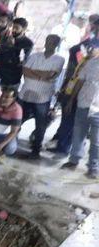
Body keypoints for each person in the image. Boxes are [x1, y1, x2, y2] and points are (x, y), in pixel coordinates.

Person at [15, 34, 65, 160]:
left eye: (53, 42)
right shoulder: (34, 56)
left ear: (57, 45)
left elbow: (51, 75)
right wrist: (41, 76)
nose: (50, 44)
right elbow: (25, 71)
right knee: (17, 121)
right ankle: (11, 143)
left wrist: (35, 73)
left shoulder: (59, 59)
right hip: (25, 94)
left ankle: (35, 149)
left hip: (43, 97)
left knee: (40, 124)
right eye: (48, 41)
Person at [61, 38, 99, 179]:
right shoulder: (90, 62)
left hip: (98, 109)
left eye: (92, 48)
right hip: (83, 103)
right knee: (78, 134)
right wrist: (72, 99)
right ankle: (73, 160)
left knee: (96, 140)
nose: (90, 50)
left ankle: (93, 167)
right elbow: (80, 81)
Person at [0, 17, 33, 87]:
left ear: (24, 29)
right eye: (13, 27)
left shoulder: (28, 43)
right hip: (0, 74)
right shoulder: (6, 38)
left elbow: (22, 61)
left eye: (17, 28)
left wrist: (12, 46)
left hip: (13, 78)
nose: (13, 30)